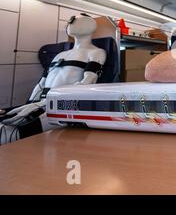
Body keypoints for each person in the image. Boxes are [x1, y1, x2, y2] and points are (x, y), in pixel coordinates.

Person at [0, 14, 106, 145]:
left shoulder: (96, 52)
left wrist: (45, 104)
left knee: (8, 133)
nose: (71, 21)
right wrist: (30, 103)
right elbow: (42, 83)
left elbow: (86, 83)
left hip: (63, 106)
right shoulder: (60, 55)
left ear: (91, 25)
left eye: (76, 19)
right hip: (41, 103)